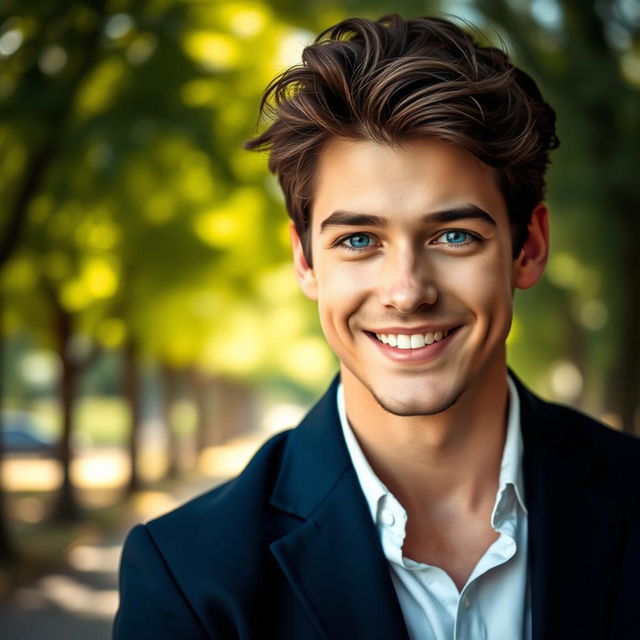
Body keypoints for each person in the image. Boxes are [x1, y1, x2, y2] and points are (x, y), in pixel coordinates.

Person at [113, 14, 640, 640]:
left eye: (454, 235)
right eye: (359, 239)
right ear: (305, 260)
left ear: (528, 248)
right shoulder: (188, 575)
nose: (407, 291)